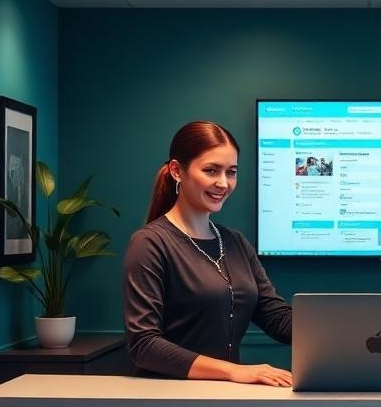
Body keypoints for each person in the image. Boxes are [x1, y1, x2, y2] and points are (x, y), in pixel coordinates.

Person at [123, 120, 292, 387]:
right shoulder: (149, 243)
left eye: (232, 172)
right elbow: (144, 345)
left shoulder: (235, 241)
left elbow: (276, 319)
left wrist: (344, 329)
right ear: (177, 171)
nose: (223, 183)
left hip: (224, 400)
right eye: (211, 170)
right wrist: (234, 371)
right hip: (166, 400)